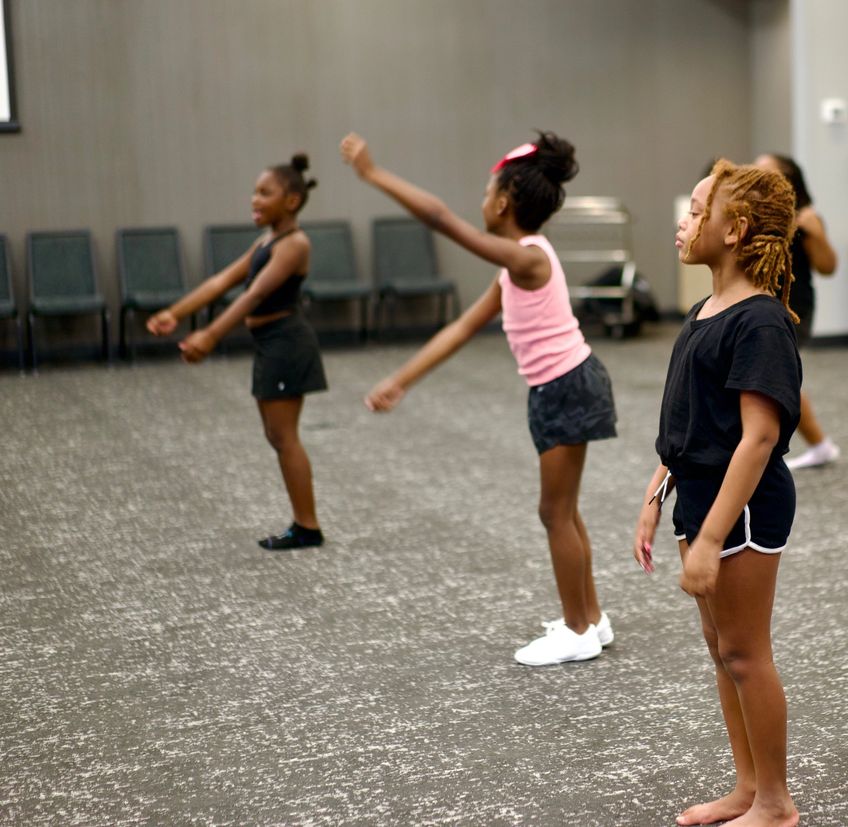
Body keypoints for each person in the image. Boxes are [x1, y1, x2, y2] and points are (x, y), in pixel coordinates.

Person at [340, 131, 618, 665]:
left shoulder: (527, 258)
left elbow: (442, 220)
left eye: (487, 193)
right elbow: (463, 327)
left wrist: (373, 174)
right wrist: (402, 378)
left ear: (504, 203)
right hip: (563, 386)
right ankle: (592, 618)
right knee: (565, 510)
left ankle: (577, 629)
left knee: (554, 512)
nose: (480, 202)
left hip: (566, 387)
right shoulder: (516, 267)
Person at [635, 159, 801, 827]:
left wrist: (709, 538)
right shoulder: (706, 309)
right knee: (721, 651)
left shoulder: (759, 321)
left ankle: (776, 802)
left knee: (745, 651)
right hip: (699, 494)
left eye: (698, 208)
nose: (685, 218)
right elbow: (693, 422)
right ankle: (745, 787)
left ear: (733, 230)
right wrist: (656, 492)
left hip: (746, 504)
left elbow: (757, 438)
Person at [147, 154, 327, 551]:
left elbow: (257, 293)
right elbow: (220, 282)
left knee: (284, 437)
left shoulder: (295, 245)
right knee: (277, 435)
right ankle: (304, 523)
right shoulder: (267, 241)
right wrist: (175, 313)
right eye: (255, 192)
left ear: (292, 201)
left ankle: (308, 527)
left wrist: (210, 335)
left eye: (265, 193)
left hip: (286, 343)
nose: (255, 199)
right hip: (270, 345)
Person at [755, 153, 839, 470]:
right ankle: (818, 446)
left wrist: (815, 232)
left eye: (765, 173)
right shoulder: (757, 215)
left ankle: (818, 445)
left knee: (778, 381)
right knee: (773, 380)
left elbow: (828, 267)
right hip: (759, 307)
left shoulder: (805, 218)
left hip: (793, 309)